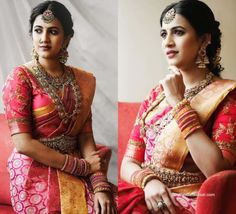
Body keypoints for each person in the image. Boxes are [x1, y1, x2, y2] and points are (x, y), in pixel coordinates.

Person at [118, 0, 236, 213]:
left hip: (187, 202)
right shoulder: (156, 94)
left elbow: (217, 172)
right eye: (164, 34)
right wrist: (149, 182)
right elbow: (128, 162)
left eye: (178, 32)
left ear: (204, 40)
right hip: (145, 193)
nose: (167, 42)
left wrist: (178, 103)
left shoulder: (226, 96)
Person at [2, 1, 117, 213]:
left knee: (110, 206)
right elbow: (23, 144)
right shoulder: (20, 78)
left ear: (67, 39)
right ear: (32, 34)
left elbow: (85, 136)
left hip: (74, 164)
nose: (44, 39)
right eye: (38, 31)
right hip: (33, 169)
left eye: (53, 31)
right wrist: (81, 166)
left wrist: (100, 184)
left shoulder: (83, 80)